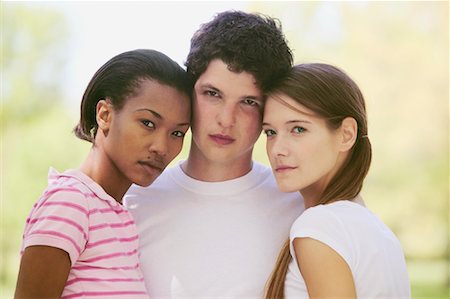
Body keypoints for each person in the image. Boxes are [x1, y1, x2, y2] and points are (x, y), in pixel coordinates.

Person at [124, 10, 304, 298]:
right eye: (213, 94)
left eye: (248, 101)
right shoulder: (133, 201)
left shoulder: (299, 205)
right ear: (189, 90)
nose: (226, 119)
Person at [14, 49, 192, 299]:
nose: (162, 147)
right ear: (105, 115)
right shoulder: (69, 203)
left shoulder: (118, 216)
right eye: (148, 123)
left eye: (177, 133)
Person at [263, 63, 411, 298]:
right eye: (270, 132)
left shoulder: (319, 226)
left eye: (298, 129)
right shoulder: (378, 231)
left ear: (346, 134)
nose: (277, 149)